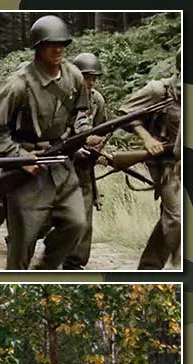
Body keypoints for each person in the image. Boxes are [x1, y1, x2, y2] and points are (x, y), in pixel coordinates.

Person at [0, 16, 96, 270]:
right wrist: (19, 156)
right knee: (22, 245)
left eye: (62, 44)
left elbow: (80, 113)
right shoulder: (18, 85)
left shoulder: (74, 76)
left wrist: (85, 132)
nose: (57, 50)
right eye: (50, 44)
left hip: (61, 164)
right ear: (37, 47)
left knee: (77, 223)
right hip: (28, 168)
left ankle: (45, 271)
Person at [119, 55, 181, 269]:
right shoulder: (159, 91)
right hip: (167, 166)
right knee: (178, 218)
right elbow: (125, 112)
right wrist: (147, 138)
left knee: (171, 218)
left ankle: (149, 266)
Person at [63, 52, 113, 269]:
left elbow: (104, 129)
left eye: (93, 78)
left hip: (84, 167)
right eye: (86, 77)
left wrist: (98, 150)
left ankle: (75, 261)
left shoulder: (97, 100)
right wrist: (75, 146)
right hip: (61, 162)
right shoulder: (64, 97)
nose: (90, 82)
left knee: (85, 212)